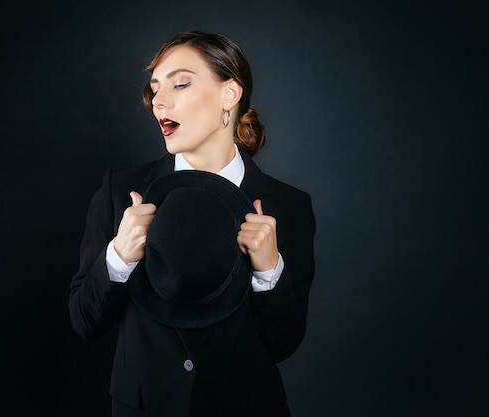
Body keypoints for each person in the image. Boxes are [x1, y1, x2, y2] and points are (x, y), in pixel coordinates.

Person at [69, 30, 316, 417]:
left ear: (230, 95)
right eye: (155, 89)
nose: (159, 102)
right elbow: (83, 321)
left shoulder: (289, 206)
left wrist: (270, 272)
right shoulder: (122, 191)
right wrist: (118, 257)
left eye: (180, 84)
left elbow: (284, 344)